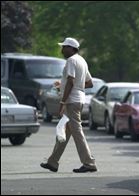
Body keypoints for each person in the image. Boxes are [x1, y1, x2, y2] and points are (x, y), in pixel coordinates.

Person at [40, 37, 97, 173]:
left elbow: (71, 81)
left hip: (72, 101)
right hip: (79, 99)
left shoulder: (71, 60)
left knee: (77, 132)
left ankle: (89, 163)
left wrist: (63, 102)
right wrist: (64, 85)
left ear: (71, 48)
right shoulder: (81, 60)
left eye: (64, 47)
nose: (62, 49)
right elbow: (89, 83)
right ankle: (53, 162)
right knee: (64, 132)